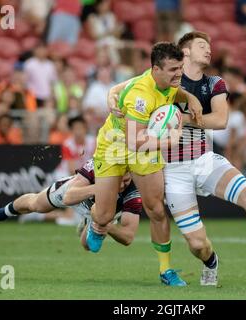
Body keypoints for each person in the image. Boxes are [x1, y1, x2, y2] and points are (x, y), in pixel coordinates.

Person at [109, 32, 246, 285]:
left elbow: (220, 120)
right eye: (202, 46)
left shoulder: (214, 83)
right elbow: (124, 87)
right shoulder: (165, 76)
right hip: (173, 169)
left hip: (204, 159)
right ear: (185, 53)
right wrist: (111, 96)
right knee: (197, 245)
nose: (209, 50)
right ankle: (210, 261)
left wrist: (179, 118)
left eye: (209, 45)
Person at [87, 42, 203, 287]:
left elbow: (174, 92)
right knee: (105, 214)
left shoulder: (169, 82)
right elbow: (133, 141)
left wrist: (189, 96)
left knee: (157, 210)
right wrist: (170, 141)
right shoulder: (141, 95)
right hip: (116, 145)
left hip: (145, 143)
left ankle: (165, 270)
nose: (178, 74)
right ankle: (95, 220)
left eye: (180, 67)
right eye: (173, 69)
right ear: (155, 69)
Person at [0, 159, 142, 250]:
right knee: (36, 204)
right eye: (118, 180)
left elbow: (128, 238)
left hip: (100, 212)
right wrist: (100, 189)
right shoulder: (99, 165)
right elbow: (69, 197)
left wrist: (108, 226)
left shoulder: (134, 192)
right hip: (79, 195)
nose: (121, 185)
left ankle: (94, 221)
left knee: (88, 246)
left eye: (126, 181)